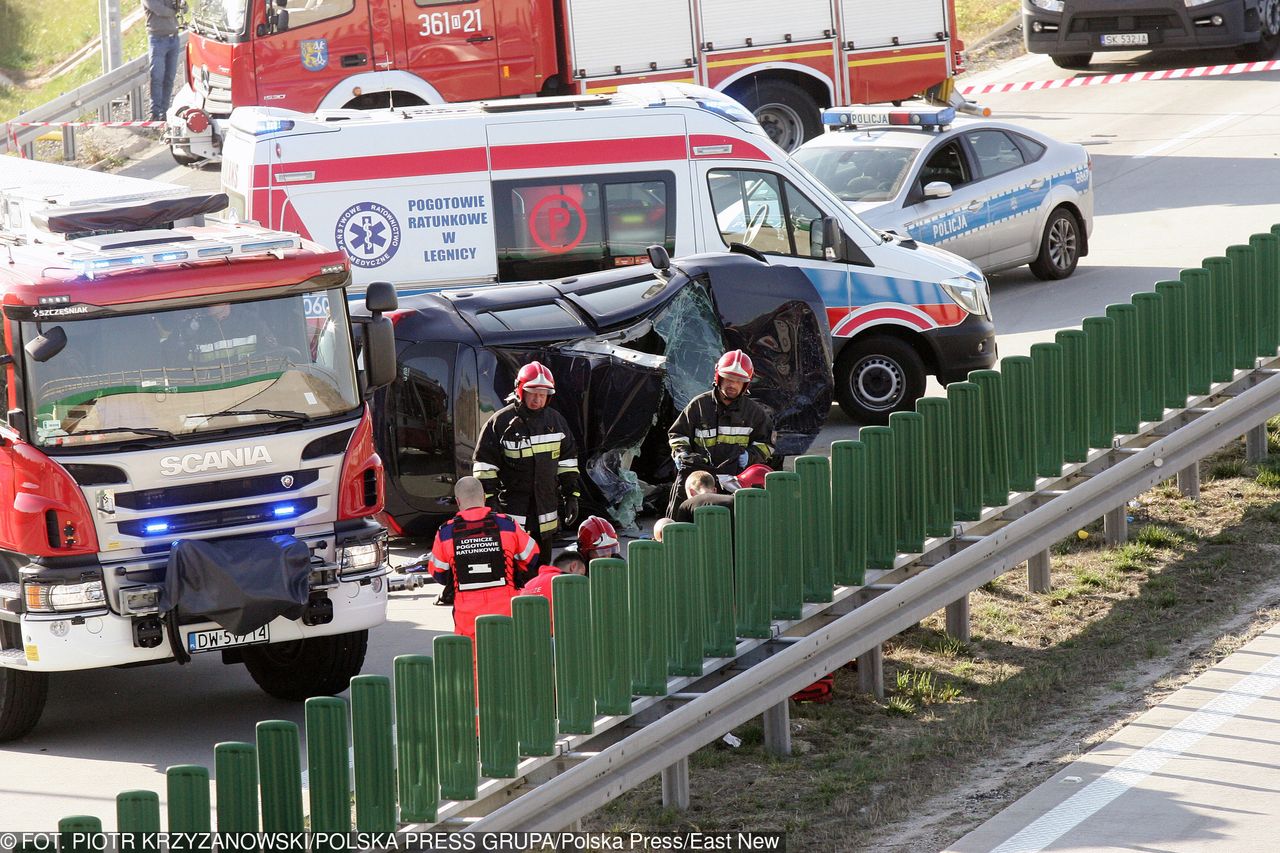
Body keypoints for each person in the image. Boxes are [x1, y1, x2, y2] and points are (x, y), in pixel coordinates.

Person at [473, 361, 582, 553]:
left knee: (542, 563)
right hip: (513, 508)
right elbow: (484, 466)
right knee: (513, 565)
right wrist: (490, 500)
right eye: (533, 393)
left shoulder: (556, 421)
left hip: (545, 509)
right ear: (521, 390)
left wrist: (571, 496)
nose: (537, 399)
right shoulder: (500, 422)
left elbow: (568, 463)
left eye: (543, 394)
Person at [425, 476, 539, 640]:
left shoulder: (445, 532)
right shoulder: (507, 524)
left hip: (468, 619)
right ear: (484, 498)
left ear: (458, 501)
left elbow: (439, 574)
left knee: (473, 662)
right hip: (507, 612)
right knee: (509, 659)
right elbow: (532, 557)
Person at [666, 349, 775, 515]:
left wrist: (748, 458)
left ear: (745, 384)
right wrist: (682, 455)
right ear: (719, 378)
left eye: (739, 381)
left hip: (735, 477)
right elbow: (677, 435)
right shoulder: (699, 406)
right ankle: (673, 534)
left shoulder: (755, 413)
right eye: (729, 378)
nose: (732, 384)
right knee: (682, 492)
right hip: (700, 475)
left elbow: (766, 445)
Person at [182, 302, 278, 364]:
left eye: (213, 296)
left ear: (226, 300)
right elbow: (179, 365)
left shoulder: (252, 323)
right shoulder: (194, 328)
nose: (207, 300)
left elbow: (274, 355)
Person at [143, 0, 186, 122]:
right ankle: (155, 113)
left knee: (169, 78)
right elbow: (160, 10)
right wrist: (175, 9)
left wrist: (182, 5)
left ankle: (165, 112)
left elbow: (184, 8)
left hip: (174, 38)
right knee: (157, 77)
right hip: (157, 39)